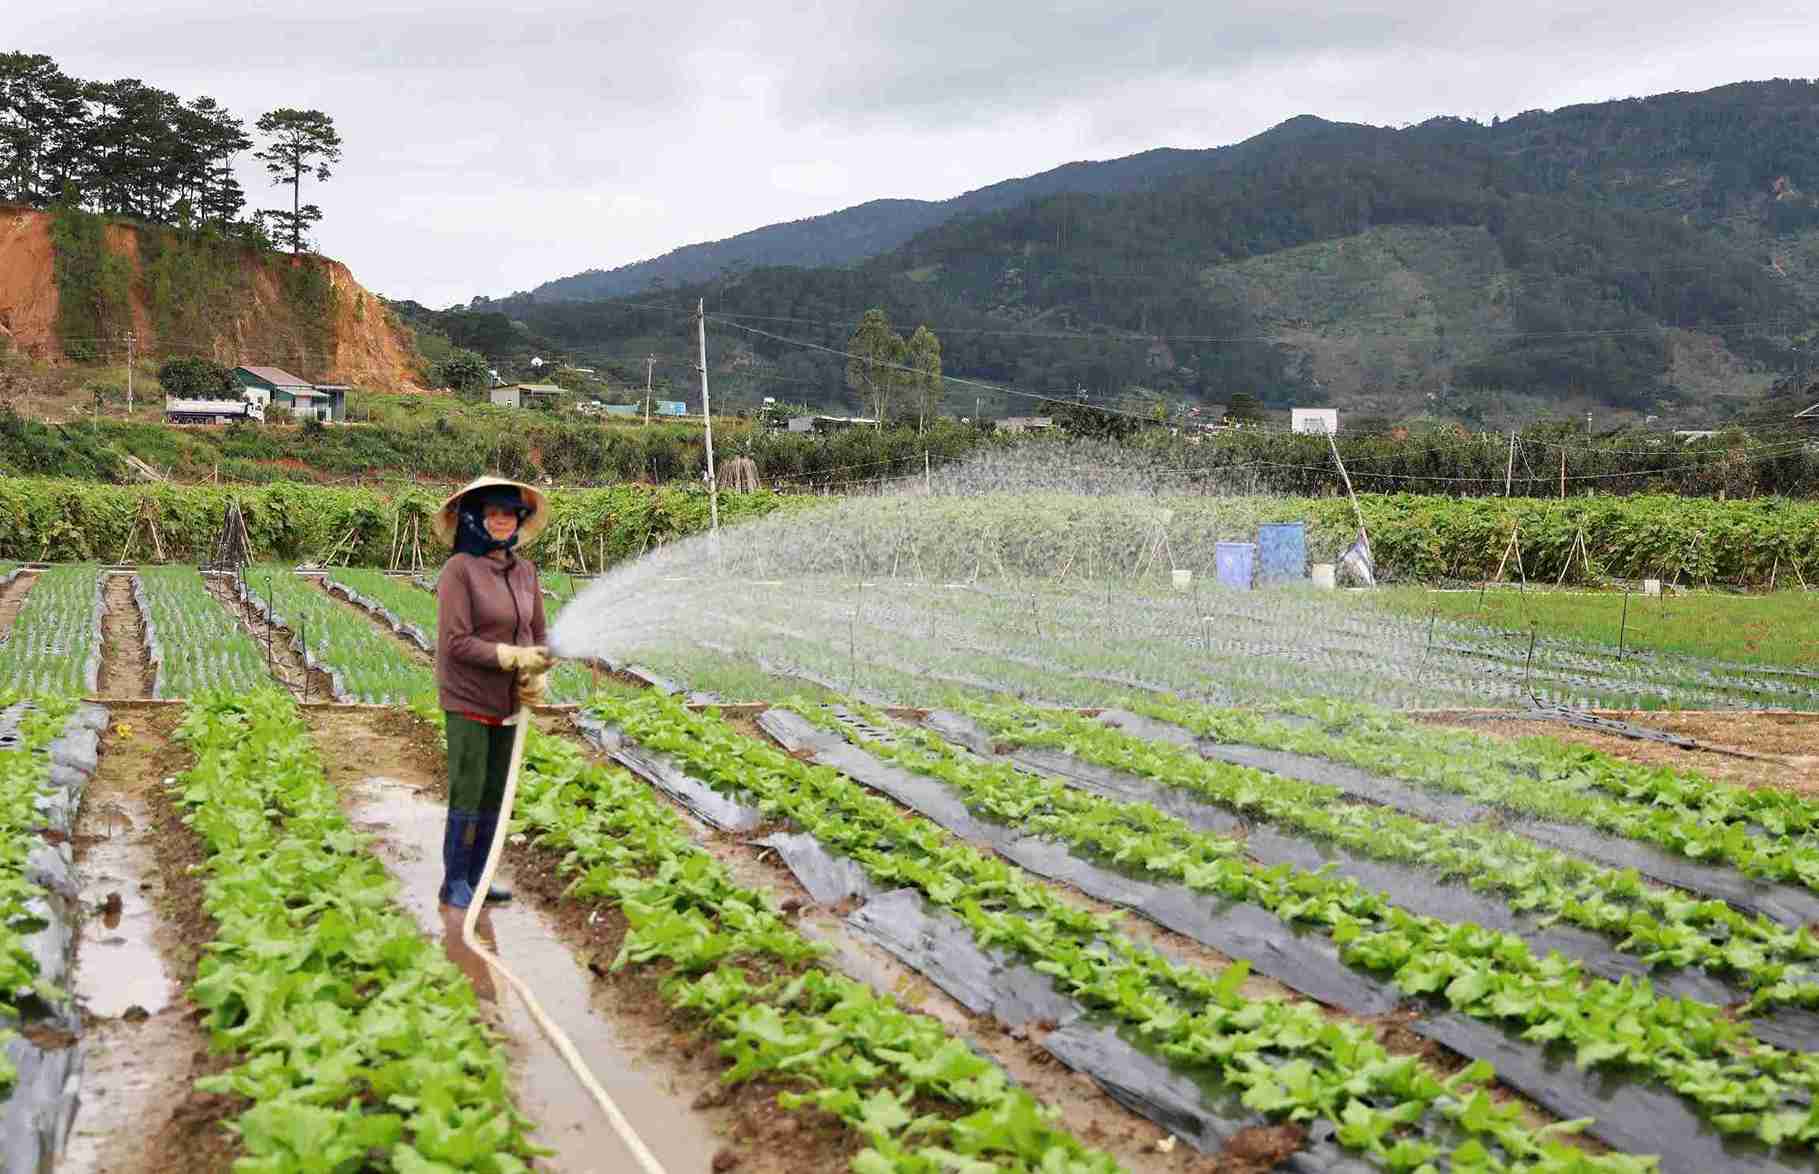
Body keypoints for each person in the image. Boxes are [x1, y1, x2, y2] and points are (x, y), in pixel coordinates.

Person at [430, 475, 554, 909]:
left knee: (495, 792)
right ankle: (454, 882)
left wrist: (537, 669)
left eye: (510, 513)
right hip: (468, 698)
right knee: (469, 787)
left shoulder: (524, 571)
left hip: (509, 702)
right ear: (476, 519)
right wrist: (508, 656)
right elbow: (456, 643)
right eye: (493, 513)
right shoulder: (459, 571)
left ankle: (480, 878)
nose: (502, 521)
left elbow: (538, 633)